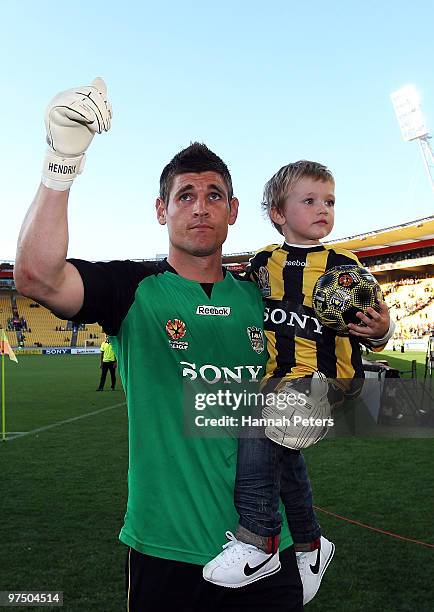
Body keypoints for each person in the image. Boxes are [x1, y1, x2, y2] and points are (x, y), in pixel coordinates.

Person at [14, 78, 303, 611]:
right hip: (167, 551)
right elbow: (35, 276)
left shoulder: (267, 296)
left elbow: (327, 383)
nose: (199, 208)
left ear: (233, 210)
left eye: (213, 195)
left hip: (266, 549)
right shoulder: (133, 289)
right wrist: (60, 162)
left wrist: (375, 332)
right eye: (185, 196)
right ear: (160, 209)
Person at [204, 161, 395, 604]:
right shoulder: (261, 266)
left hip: (332, 381)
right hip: (279, 383)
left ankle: (259, 540)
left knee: (255, 422)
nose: (322, 209)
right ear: (278, 213)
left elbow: (379, 327)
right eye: (309, 201)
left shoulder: (345, 267)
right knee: (281, 451)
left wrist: (381, 330)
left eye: (328, 201)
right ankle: (311, 545)